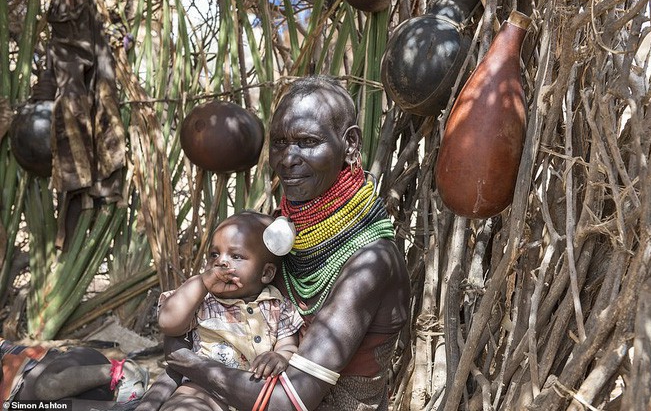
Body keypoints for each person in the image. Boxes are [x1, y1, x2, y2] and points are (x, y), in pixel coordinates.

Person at [164, 75, 411, 410]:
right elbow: (196, 332)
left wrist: (188, 362)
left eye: (307, 141)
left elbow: (288, 401)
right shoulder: (275, 239)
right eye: (279, 143)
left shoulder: (371, 262)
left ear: (350, 144)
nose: (288, 158)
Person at [138, 211, 304, 411]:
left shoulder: (277, 305)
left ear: (266, 273)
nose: (221, 262)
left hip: (249, 395)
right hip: (201, 392)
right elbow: (168, 323)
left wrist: (280, 356)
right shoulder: (202, 298)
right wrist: (201, 283)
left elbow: (288, 345)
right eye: (214, 254)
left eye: (236, 256)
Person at [1, 337, 148, 410]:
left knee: (45, 387)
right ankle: (127, 407)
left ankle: (123, 371)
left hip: (80, 371)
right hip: (81, 400)